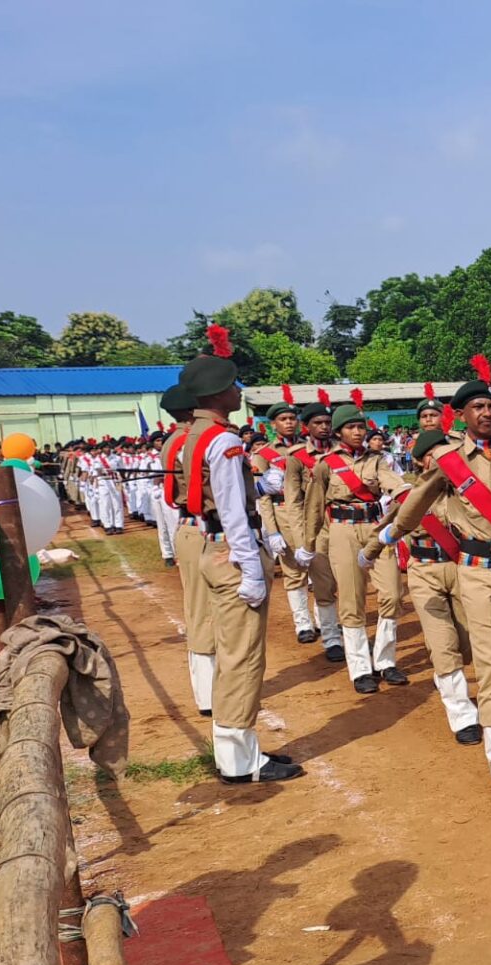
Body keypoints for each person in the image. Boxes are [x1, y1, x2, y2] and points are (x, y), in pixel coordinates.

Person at [367, 355, 491, 803]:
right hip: (477, 574)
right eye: (476, 407)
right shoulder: (447, 461)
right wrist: (381, 540)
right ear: (460, 415)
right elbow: (415, 506)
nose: (486, 413)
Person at [175, 325, 301, 784]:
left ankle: (240, 751)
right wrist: (250, 568)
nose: (239, 390)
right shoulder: (224, 441)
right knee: (242, 658)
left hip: (211, 545)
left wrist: (262, 482)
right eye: (232, 384)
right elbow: (231, 511)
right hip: (232, 551)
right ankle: (238, 759)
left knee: (235, 655)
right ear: (217, 392)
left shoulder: (198, 434)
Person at [360, 425, 482, 744]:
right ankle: (462, 714)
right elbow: (391, 526)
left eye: (444, 451)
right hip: (424, 570)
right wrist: (369, 552)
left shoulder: (467, 488)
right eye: (432, 455)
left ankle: (452, 685)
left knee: (469, 643)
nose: (440, 458)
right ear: (419, 462)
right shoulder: (410, 492)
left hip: (461, 569)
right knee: (443, 645)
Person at [305, 399, 410, 693]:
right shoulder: (326, 465)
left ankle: (385, 661)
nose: (357, 432)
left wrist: (407, 493)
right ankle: (361, 668)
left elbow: (393, 482)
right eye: (350, 427)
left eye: (360, 426)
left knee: (392, 594)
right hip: (342, 531)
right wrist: (308, 543)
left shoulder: (377, 460)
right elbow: (314, 507)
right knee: (352, 600)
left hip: (377, 529)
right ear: (338, 432)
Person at [157, 384, 215, 715]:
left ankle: (210, 689)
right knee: (202, 612)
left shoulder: (177, 440)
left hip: (192, 526)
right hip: (200, 527)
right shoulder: (188, 442)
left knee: (203, 610)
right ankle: (207, 693)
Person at [280, 394, 345, 664]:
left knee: (348, 581)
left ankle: (346, 629)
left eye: (328, 422)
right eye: (318, 422)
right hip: (315, 527)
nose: (324, 427)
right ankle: (331, 638)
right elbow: (293, 500)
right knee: (323, 583)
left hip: (342, 523)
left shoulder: (342, 453)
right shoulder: (297, 458)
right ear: (306, 426)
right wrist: (300, 539)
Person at [251, 390, 318, 644]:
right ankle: (303, 623)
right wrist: (272, 530)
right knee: (294, 571)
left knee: (321, 569)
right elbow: (264, 496)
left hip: (312, 511)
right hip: (283, 514)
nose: (289, 422)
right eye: (283, 419)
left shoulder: (310, 449)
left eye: (292, 418)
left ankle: (323, 619)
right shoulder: (264, 454)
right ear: (273, 424)